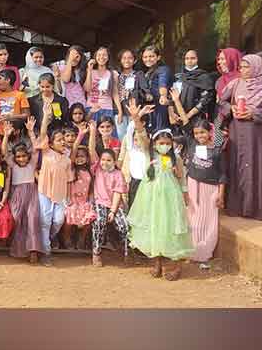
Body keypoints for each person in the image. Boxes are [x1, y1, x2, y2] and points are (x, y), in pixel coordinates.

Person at [126, 102, 194, 281]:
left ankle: (177, 266)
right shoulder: (150, 154)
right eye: (161, 143)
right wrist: (136, 118)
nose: (164, 146)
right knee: (154, 227)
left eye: (167, 143)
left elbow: (182, 179)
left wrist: (184, 194)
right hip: (151, 197)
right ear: (154, 143)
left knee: (172, 227)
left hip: (170, 197)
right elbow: (141, 134)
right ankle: (157, 264)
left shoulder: (176, 158)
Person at [218, 54, 262, 220]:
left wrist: (254, 113)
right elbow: (222, 102)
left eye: (247, 67)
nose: (243, 70)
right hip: (237, 133)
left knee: (257, 166)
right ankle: (238, 207)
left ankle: (257, 209)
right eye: (241, 67)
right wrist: (231, 109)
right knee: (237, 164)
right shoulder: (235, 84)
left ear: (257, 67)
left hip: (258, 136)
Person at [87, 121, 129, 267]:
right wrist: (93, 132)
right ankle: (96, 252)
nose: (105, 162)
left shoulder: (118, 174)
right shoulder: (97, 168)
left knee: (124, 225)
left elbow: (117, 193)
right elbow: (91, 149)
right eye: (103, 159)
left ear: (114, 161)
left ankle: (126, 252)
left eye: (109, 160)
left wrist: (113, 211)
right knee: (99, 222)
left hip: (114, 205)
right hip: (99, 203)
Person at [184, 119, 226, 269]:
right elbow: (185, 124)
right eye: (196, 133)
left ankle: (203, 253)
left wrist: (221, 195)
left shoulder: (217, 151)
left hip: (209, 190)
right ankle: (190, 251)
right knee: (192, 219)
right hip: (192, 186)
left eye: (202, 132)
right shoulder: (192, 144)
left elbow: (222, 175)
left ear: (210, 132)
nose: (199, 135)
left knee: (207, 221)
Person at [35, 103, 73, 266]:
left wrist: (69, 197)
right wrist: (46, 116)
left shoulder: (67, 159)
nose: (63, 142)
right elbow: (43, 133)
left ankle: (49, 238)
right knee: (45, 221)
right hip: (44, 192)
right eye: (59, 140)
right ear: (50, 143)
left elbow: (69, 180)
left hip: (60, 195)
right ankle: (46, 252)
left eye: (63, 139)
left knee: (58, 220)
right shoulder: (46, 152)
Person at [2, 120, 42, 263]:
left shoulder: (32, 163)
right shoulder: (12, 164)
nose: (21, 159)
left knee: (33, 219)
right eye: (18, 156)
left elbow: (36, 149)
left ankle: (33, 250)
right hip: (16, 195)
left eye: (24, 156)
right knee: (17, 219)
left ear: (28, 155)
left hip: (32, 194)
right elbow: (4, 152)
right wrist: (6, 136)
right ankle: (19, 248)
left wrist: (31, 131)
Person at [61, 128, 95, 251]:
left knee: (89, 216)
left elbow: (91, 189)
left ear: (87, 158)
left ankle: (82, 238)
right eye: (77, 156)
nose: (79, 158)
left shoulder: (89, 171)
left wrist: (91, 200)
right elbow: (67, 186)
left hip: (84, 201)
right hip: (72, 201)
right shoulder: (71, 168)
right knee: (69, 219)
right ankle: (66, 238)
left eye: (82, 156)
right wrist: (67, 200)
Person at [171, 49, 216, 135]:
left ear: (198, 59)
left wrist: (188, 115)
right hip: (178, 119)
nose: (189, 61)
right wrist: (173, 113)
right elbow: (171, 96)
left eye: (193, 58)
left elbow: (205, 100)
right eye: (187, 58)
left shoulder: (204, 77)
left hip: (196, 118)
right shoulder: (179, 77)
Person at [84, 47, 120, 126]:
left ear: (108, 57)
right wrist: (89, 70)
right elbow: (87, 89)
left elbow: (115, 93)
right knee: (92, 131)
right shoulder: (90, 71)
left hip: (107, 108)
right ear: (95, 57)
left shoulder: (113, 73)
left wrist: (120, 111)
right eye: (99, 55)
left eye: (104, 55)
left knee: (107, 132)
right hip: (91, 108)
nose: (101, 57)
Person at [141, 45, 172, 133]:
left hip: (161, 106)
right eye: (145, 57)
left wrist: (163, 96)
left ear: (158, 57)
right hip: (151, 107)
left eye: (151, 56)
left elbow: (163, 83)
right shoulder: (148, 72)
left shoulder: (163, 69)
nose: (148, 59)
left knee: (161, 132)